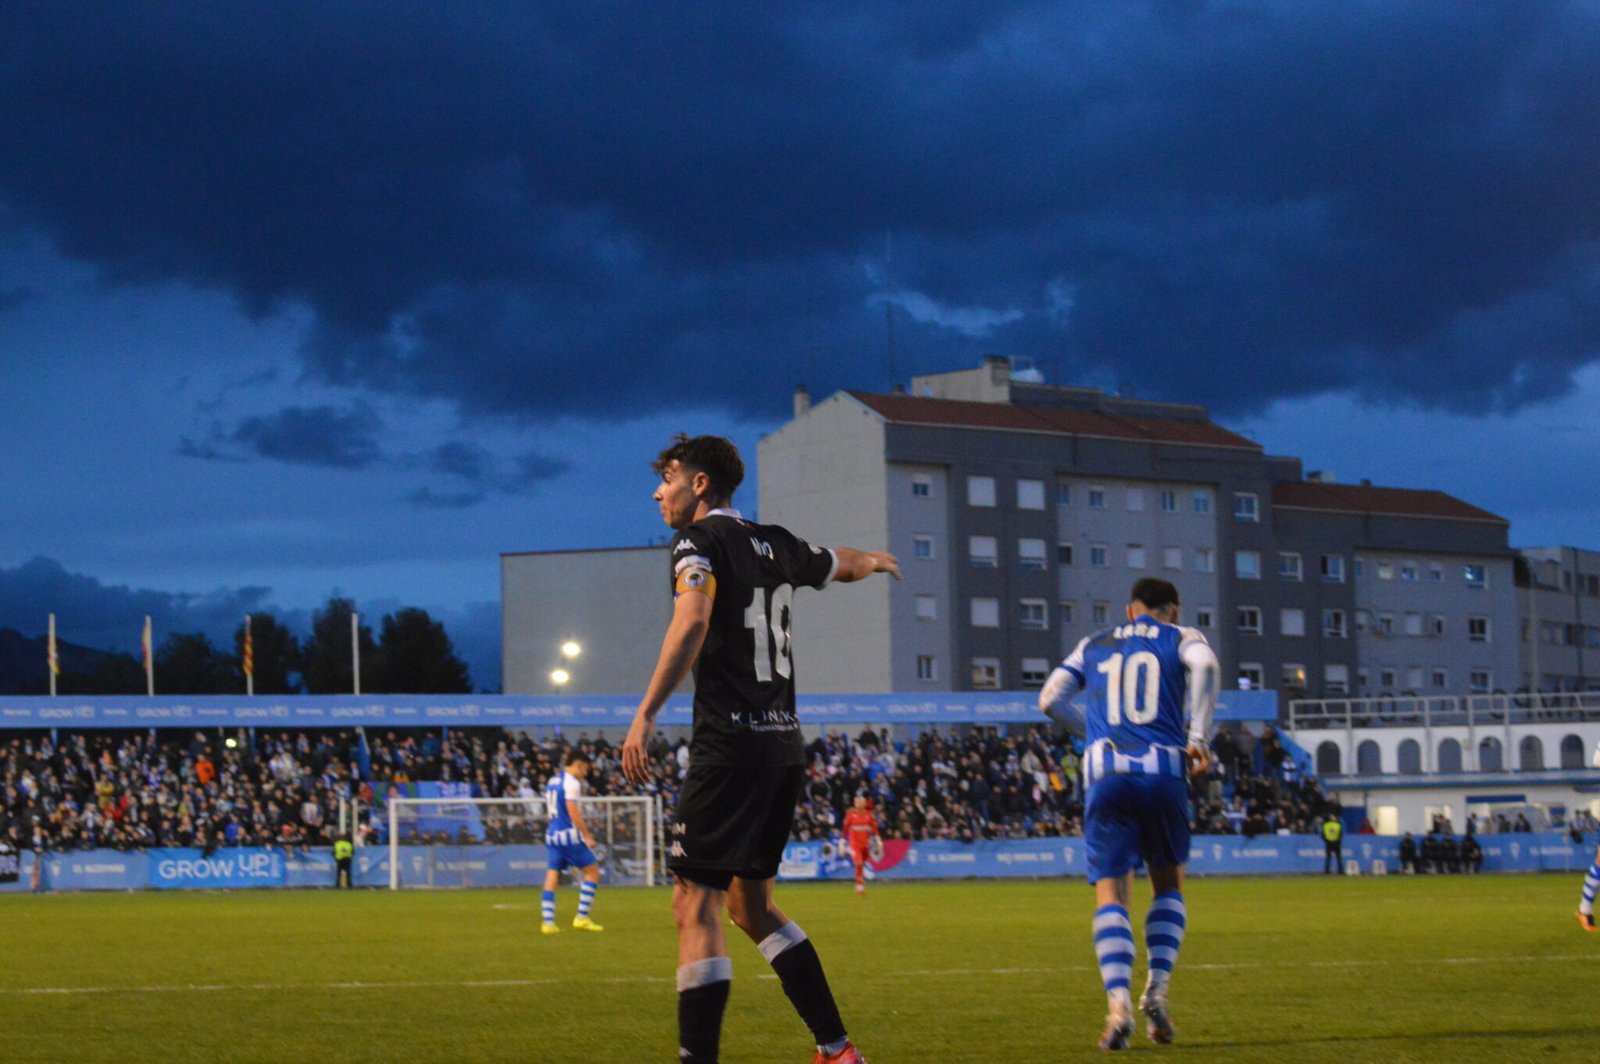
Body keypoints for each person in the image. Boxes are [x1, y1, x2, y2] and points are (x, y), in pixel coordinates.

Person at [621, 433, 898, 1064]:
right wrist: (876, 562)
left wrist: (645, 713)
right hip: (782, 750)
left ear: (698, 484)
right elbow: (840, 562)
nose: (657, 490)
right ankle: (837, 1050)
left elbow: (691, 621)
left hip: (731, 745)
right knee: (753, 906)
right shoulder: (776, 542)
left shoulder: (698, 542)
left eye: (667, 476)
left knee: (694, 903)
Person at [1038, 577, 1218, 1050]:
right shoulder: (1181, 637)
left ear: (1129, 609)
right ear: (1173, 611)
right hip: (1163, 771)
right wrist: (1198, 738)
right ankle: (1156, 990)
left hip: (1107, 774)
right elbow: (1205, 665)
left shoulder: (1094, 643)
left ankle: (1117, 1007)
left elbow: (1049, 698)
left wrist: (1091, 733)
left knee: (1111, 894)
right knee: (1168, 884)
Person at [541, 751, 604, 934]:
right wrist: (587, 836)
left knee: (553, 875)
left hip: (552, 834)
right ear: (578, 764)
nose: (585, 774)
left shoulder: (553, 780)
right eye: (585, 769)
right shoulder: (572, 783)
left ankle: (548, 922)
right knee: (592, 872)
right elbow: (573, 812)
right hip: (568, 835)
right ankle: (581, 917)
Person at [841, 795, 881, 896]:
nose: (858, 804)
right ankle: (859, 888)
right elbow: (845, 829)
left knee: (862, 864)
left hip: (865, 844)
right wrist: (842, 841)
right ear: (854, 803)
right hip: (854, 844)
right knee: (858, 864)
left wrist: (878, 840)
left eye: (860, 802)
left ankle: (860, 884)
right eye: (856, 802)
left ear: (864, 803)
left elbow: (875, 829)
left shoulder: (869, 815)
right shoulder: (850, 814)